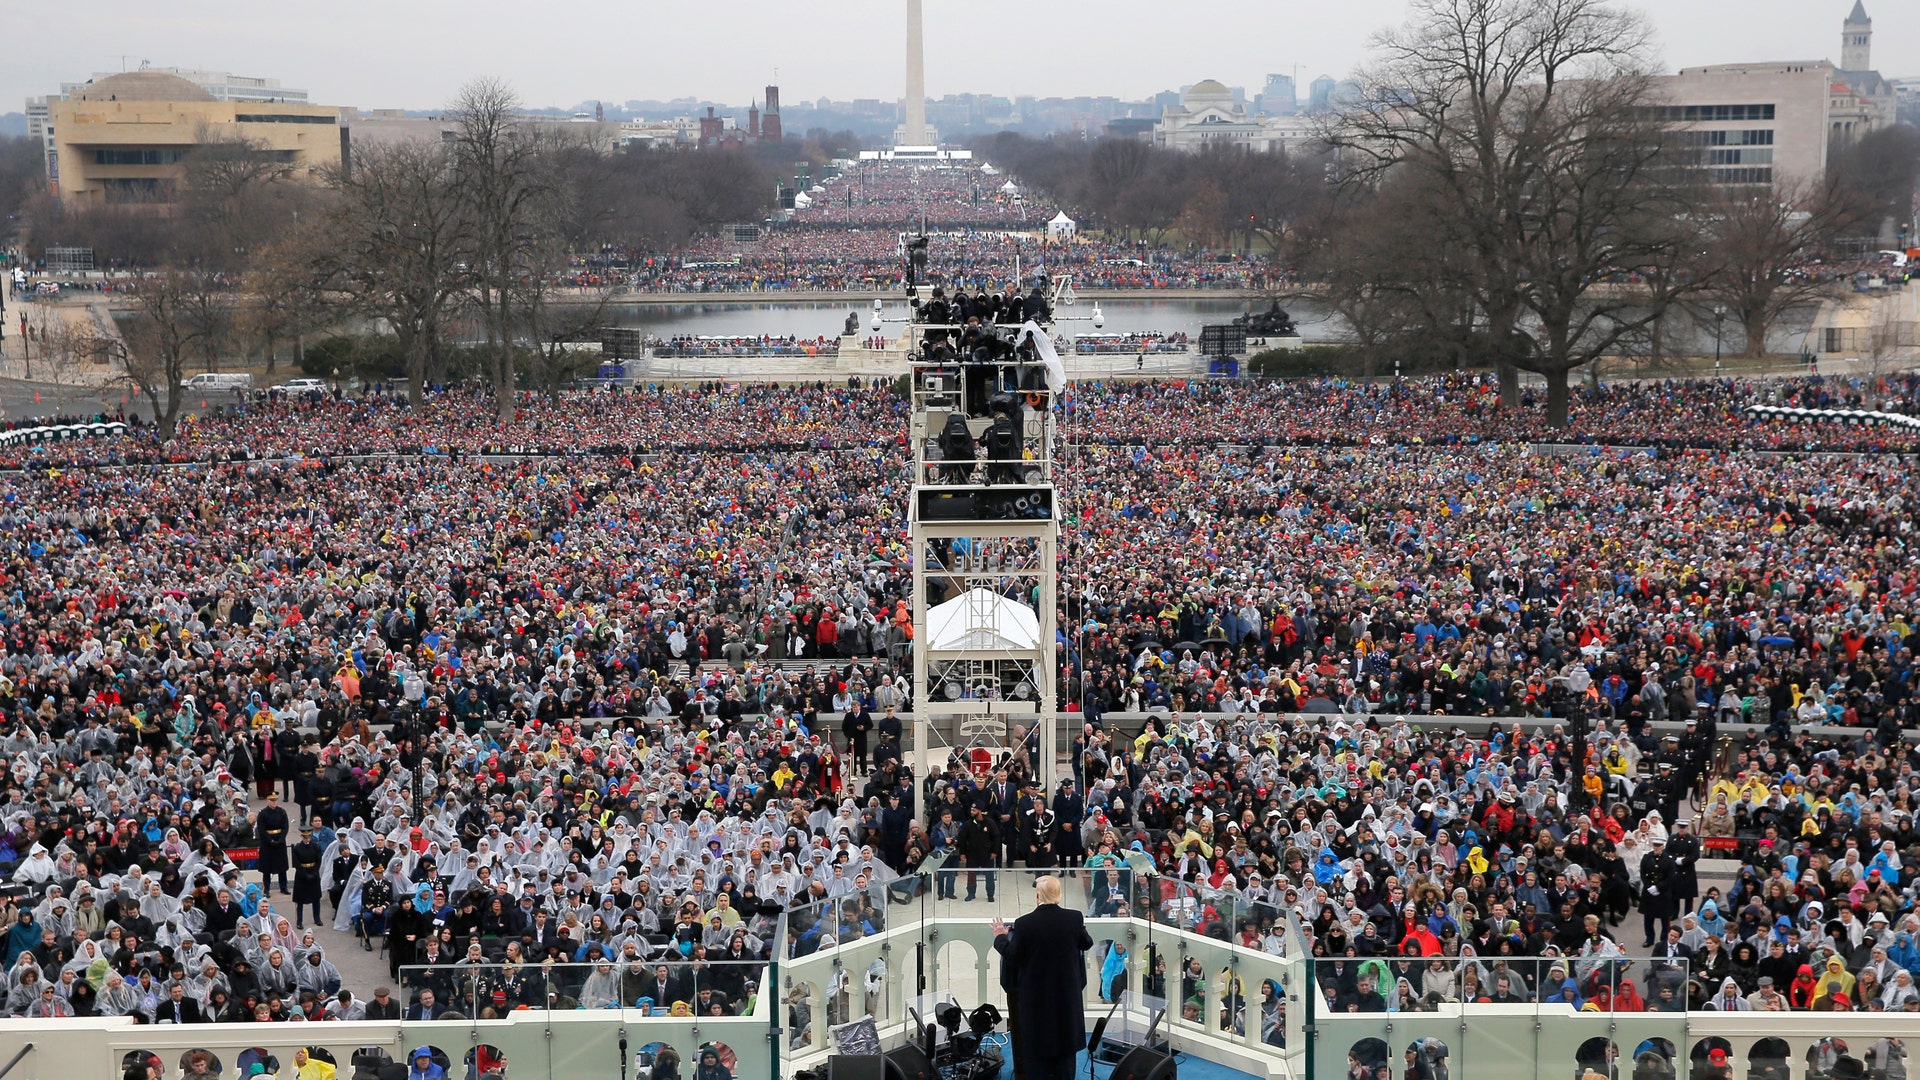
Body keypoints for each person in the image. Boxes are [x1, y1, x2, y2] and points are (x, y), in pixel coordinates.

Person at [994, 875, 1094, 1080]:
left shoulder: (1024, 924)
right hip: (1066, 1000)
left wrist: (1000, 936)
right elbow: (1086, 943)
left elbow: (1012, 955)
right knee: (1065, 1059)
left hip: (1036, 1002)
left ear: (1038, 896)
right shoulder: (1074, 918)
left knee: (1036, 1059)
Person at [256, 791, 292, 895]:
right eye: (272, 800)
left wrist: (281, 839)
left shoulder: (282, 812)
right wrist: (270, 840)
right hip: (267, 843)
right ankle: (266, 889)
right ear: (268, 801)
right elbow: (261, 830)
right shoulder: (262, 814)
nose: (274, 802)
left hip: (280, 841)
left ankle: (283, 887)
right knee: (267, 868)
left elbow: (285, 827)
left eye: (275, 800)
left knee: (282, 867)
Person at [291, 826, 325, 929]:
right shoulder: (297, 848)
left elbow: (319, 860)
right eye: (305, 837)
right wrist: (305, 875)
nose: (307, 839)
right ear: (302, 836)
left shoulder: (316, 847)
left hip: (313, 874)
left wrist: (314, 873)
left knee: (316, 898)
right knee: (300, 900)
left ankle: (317, 918)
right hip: (302, 875)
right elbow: (296, 863)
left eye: (308, 837)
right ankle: (299, 921)